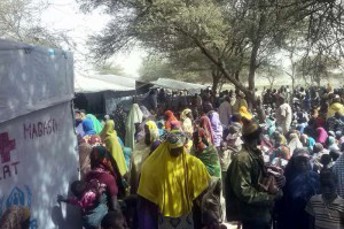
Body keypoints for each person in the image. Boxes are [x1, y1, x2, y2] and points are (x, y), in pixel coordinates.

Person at [137, 130, 211, 228]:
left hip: (187, 215)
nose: (177, 151)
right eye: (174, 148)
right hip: (163, 217)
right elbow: (147, 192)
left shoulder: (193, 164)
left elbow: (204, 188)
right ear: (167, 146)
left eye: (179, 148)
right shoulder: (154, 166)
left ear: (183, 146)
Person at [226, 120, 282, 229]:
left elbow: (259, 176)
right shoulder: (242, 159)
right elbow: (244, 191)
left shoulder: (254, 154)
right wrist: (270, 197)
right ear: (257, 136)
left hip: (259, 210)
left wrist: (277, 179)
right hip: (251, 214)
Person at [277, 148, 320, 229]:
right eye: (299, 160)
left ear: (308, 161)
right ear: (294, 161)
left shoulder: (315, 176)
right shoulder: (286, 176)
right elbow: (280, 198)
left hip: (309, 216)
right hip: (290, 216)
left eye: (305, 160)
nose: (302, 163)